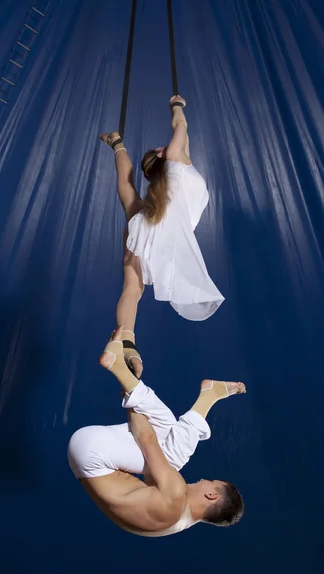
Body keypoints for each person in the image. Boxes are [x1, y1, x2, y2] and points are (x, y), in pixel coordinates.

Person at [67, 326, 246, 537]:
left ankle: (120, 369)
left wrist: (129, 386)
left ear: (211, 495)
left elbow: (146, 438)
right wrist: (130, 388)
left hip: (95, 454)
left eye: (209, 482)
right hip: (84, 460)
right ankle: (207, 395)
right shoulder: (173, 523)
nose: (202, 480)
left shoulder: (176, 496)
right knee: (169, 448)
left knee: (173, 456)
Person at [99, 95, 225, 379]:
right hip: (165, 234)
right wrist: (177, 105)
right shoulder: (176, 160)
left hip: (144, 227)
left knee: (132, 289)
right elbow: (181, 125)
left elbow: (126, 181)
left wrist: (117, 144)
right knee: (135, 289)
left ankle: (127, 340)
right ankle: (125, 345)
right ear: (162, 153)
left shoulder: (173, 167)